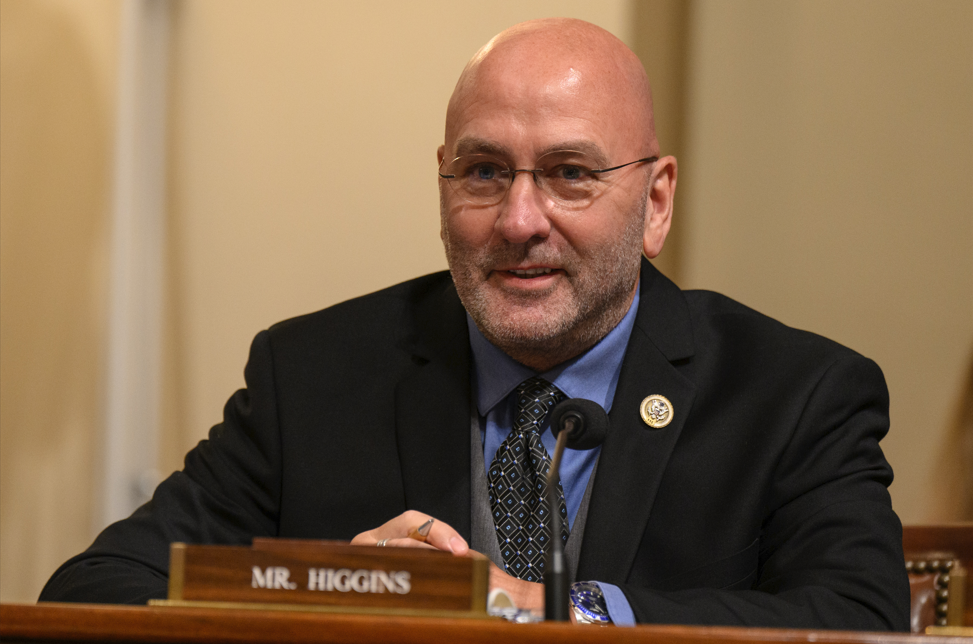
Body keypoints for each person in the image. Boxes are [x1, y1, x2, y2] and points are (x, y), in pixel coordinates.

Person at [40, 18, 910, 630]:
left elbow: (855, 618)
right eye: (484, 171)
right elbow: (92, 592)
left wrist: (549, 610)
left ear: (654, 201)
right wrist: (327, 593)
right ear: (443, 181)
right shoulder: (311, 376)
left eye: (569, 173)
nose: (518, 221)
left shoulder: (793, 395)